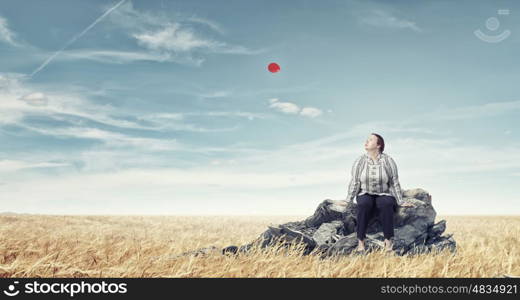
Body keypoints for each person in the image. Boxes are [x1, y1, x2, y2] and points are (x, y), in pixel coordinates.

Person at [345, 133, 416, 253]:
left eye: (370, 140)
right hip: (365, 192)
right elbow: (355, 181)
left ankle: (388, 242)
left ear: (378, 145)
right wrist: (348, 200)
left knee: (386, 204)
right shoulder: (360, 161)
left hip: (384, 193)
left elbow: (394, 182)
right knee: (364, 204)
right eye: (366, 140)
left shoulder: (388, 160)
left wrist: (400, 201)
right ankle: (361, 242)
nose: (366, 142)